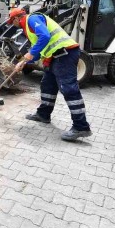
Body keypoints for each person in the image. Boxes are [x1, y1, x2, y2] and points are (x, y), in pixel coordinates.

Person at [7, 8, 92, 141]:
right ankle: (43, 114)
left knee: (69, 89)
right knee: (47, 86)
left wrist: (28, 55)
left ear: (17, 18)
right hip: (53, 57)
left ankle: (81, 127)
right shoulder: (28, 28)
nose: (12, 24)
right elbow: (40, 48)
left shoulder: (32, 19)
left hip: (65, 54)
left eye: (12, 22)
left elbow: (45, 36)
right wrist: (25, 62)